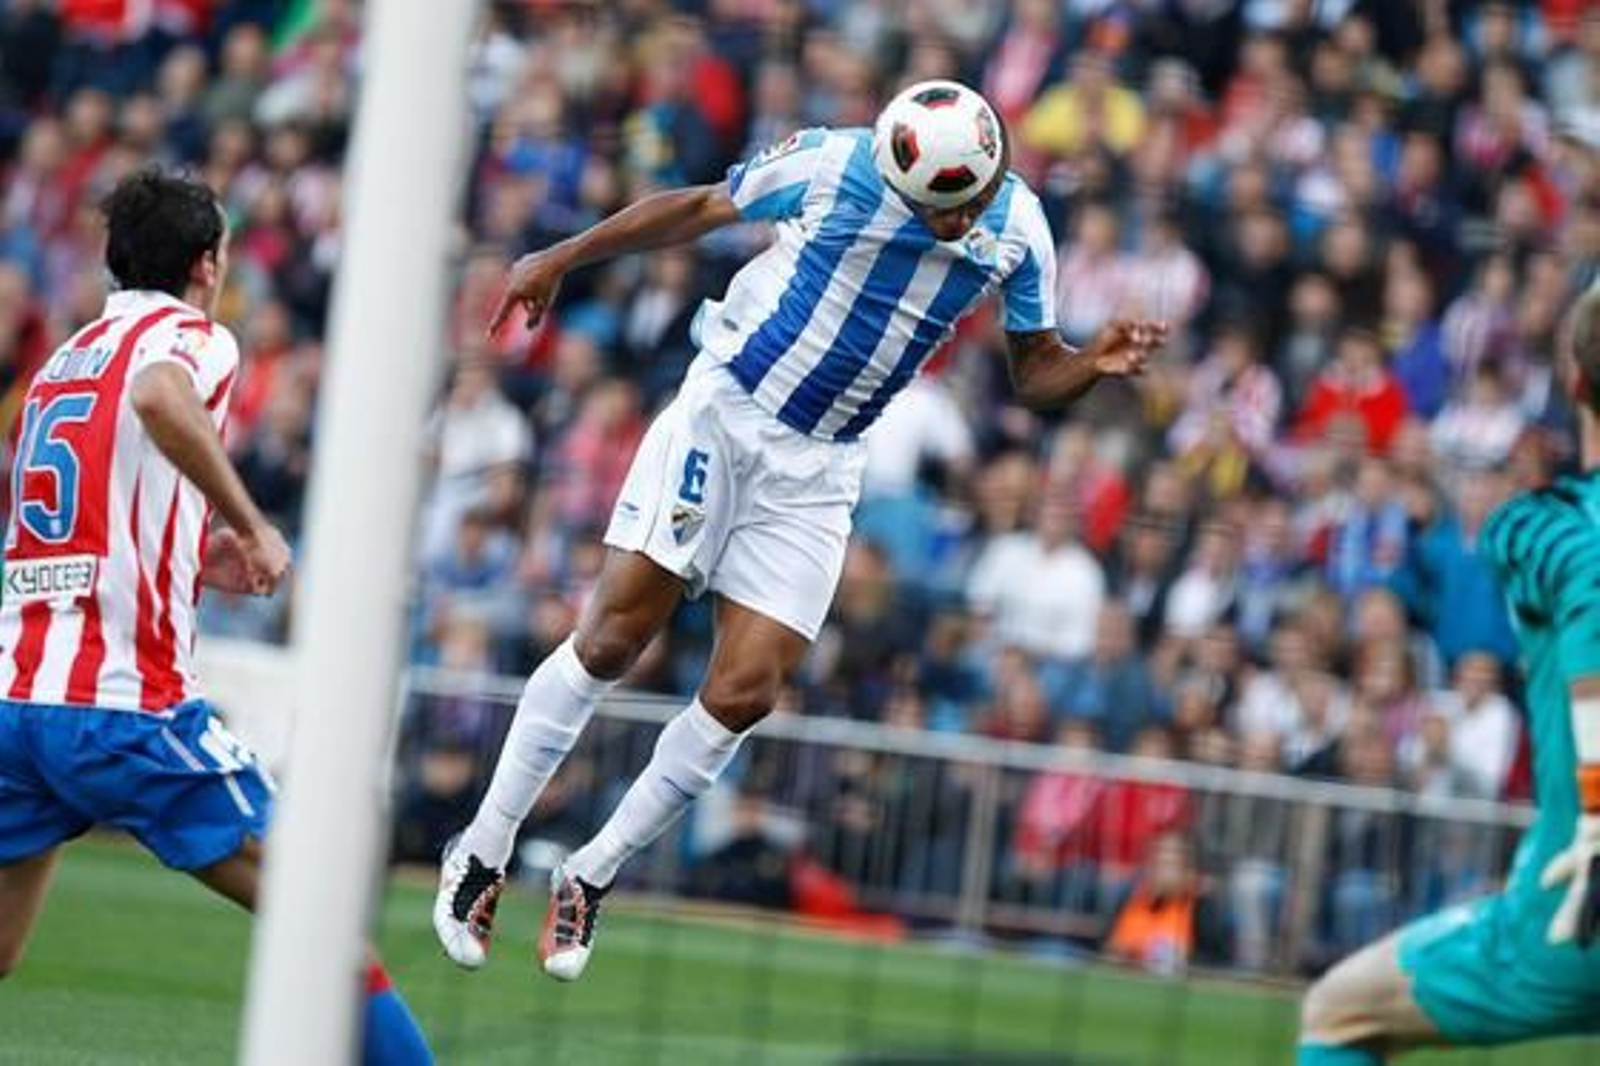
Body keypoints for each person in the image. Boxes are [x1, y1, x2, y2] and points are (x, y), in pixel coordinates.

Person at [434, 80, 1166, 983]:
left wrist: (1090, 363)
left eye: (969, 201)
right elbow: (701, 206)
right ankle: (484, 845)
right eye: (939, 209)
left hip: (821, 468)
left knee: (747, 691)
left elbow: (1036, 370)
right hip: (726, 412)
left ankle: (592, 872)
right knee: (616, 636)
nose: (956, 222)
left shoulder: (1022, 229)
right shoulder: (834, 162)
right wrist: (562, 255)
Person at [0, 170, 431, 1065]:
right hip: (126, 709)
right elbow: (163, 399)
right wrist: (250, 524)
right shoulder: (193, 338)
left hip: (15, 701)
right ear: (208, 263)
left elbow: (77, 522)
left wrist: (193, 556)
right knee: (321, 926)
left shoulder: (61, 364)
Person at [1298, 288, 1600, 1062]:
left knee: (1339, 1011)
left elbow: (1590, 591)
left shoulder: (1543, 525)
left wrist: (1597, 813)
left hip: (1574, 910)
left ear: (1571, 382)